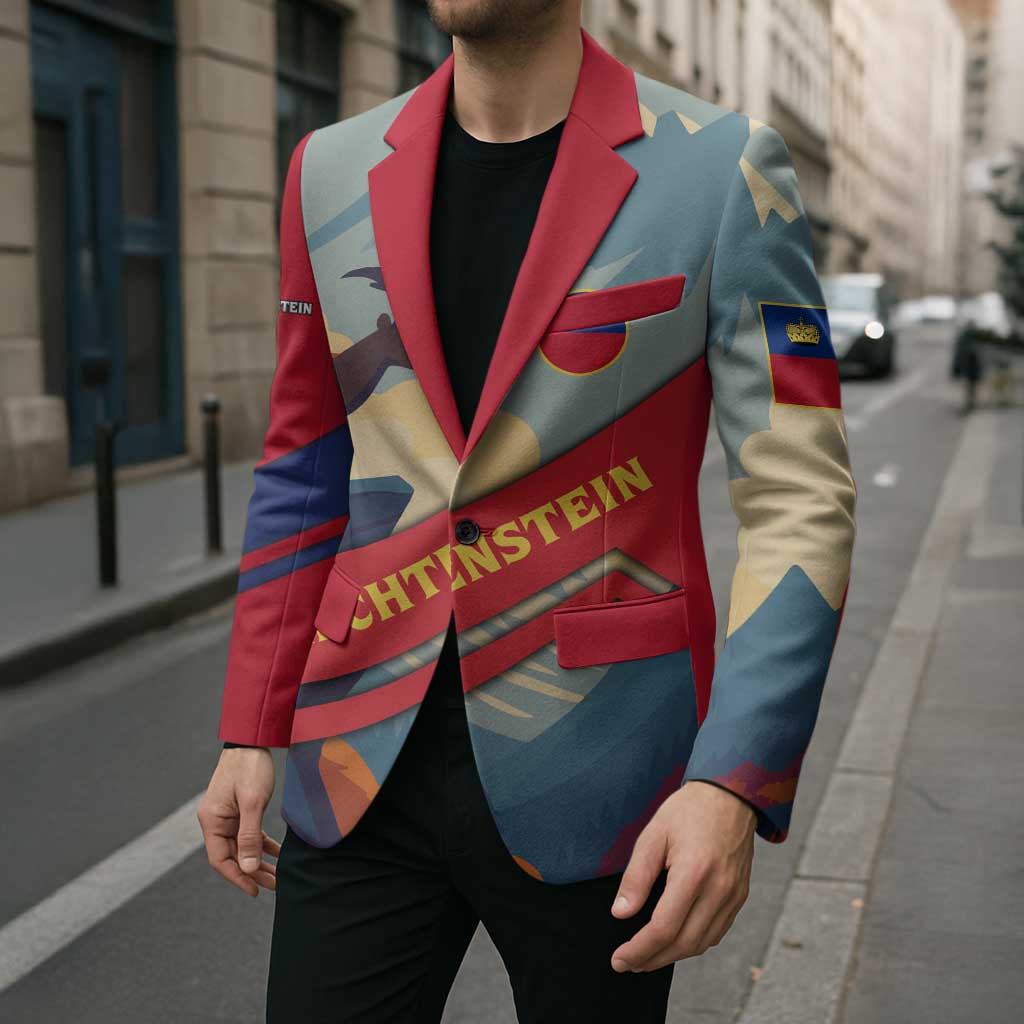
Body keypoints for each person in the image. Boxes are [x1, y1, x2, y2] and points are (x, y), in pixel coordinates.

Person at [197, 2, 857, 1021]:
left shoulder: (724, 169)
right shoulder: (328, 168)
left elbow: (798, 494)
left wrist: (731, 778)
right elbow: (306, 463)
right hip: (360, 756)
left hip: (606, 773)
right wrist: (252, 722)